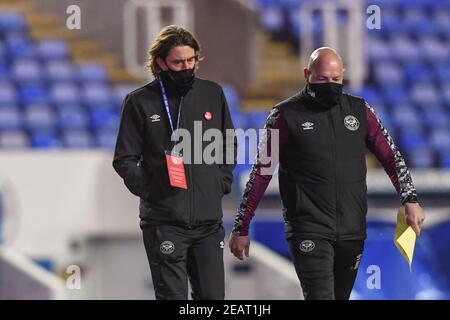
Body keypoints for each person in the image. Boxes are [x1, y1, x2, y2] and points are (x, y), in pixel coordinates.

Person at [229, 47, 425, 300]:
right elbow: (261, 172)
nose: (330, 85)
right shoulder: (284, 115)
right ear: (306, 74)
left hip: (352, 230)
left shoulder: (360, 111)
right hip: (308, 230)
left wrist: (410, 199)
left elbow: (391, 156)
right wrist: (241, 226)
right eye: (322, 79)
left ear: (343, 75)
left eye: (335, 79)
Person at [113, 25, 236, 300]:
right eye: (178, 62)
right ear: (160, 63)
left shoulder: (212, 93)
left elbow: (228, 144)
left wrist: (221, 183)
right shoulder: (139, 102)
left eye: (191, 60)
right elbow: (124, 159)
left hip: (208, 223)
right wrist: (152, 190)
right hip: (164, 223)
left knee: (213, 299)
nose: (186, 67)